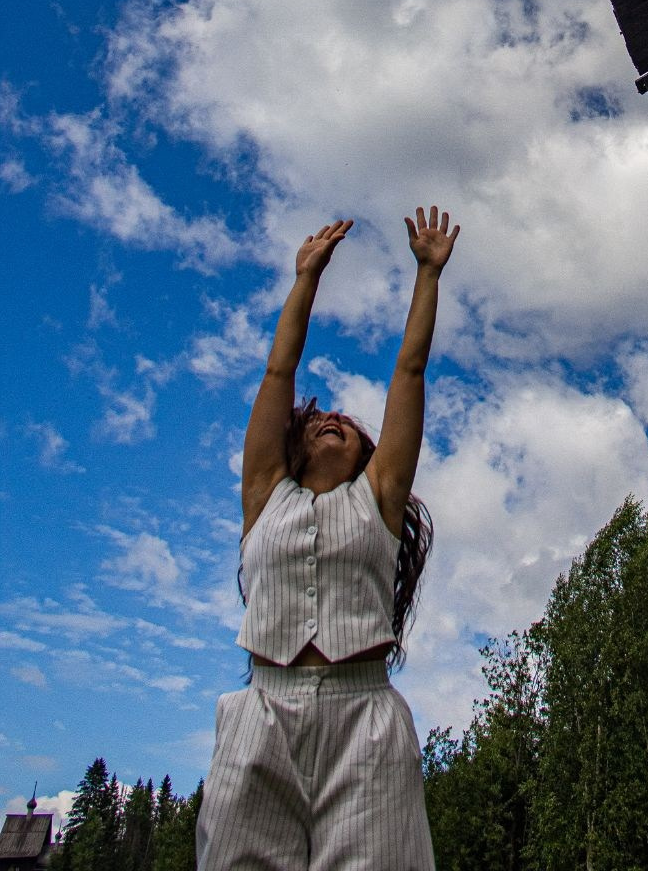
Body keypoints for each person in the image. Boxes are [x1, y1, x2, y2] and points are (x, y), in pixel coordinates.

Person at [196, 206, 459, 870]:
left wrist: (427, 274)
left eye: (345, 421)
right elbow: (277, 376)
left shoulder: (379, 500)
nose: (333, 418)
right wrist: (305, 281)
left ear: (370, 454)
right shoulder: (264, 495)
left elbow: (410, 371)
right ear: (295, 444)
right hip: (261, 711)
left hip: (362, 715)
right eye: (319, 421)